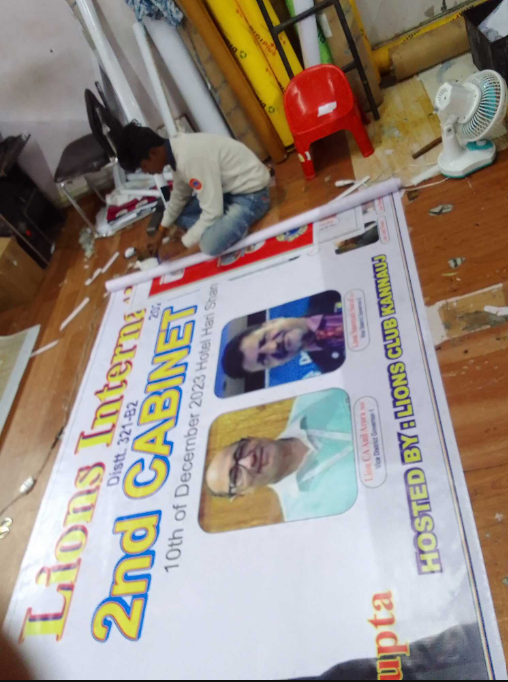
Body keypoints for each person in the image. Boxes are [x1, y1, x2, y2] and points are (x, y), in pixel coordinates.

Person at [115, 122, 271, 257]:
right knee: (179, 216)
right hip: (228, 193)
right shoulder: (175, 150)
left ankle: (225, 227)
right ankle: (220, 225)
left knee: (209, 245)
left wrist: (182, 245)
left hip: (253, 196)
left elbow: (212, 211)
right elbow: (179, 195)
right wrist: (161, 232)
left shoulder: (189, 158)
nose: (146, 172)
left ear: (153, 153)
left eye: (144, 167)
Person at [206, 389, 357, 522]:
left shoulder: (309, 397)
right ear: (243, 494)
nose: (249, 460)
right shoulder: (304, 516)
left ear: (250, 438)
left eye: (240, 451)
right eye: (235, 476)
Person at [222, 291, 344, 380]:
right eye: (264, 359)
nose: (273, 347)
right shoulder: (332, 368)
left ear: (272, 322)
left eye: (264, 339)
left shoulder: (326, 293)